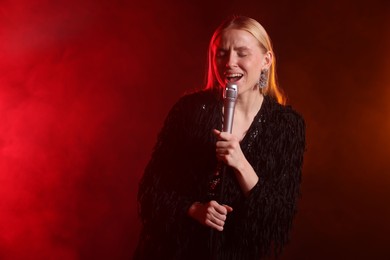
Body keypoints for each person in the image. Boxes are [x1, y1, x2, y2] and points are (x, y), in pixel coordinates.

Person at [134, 15, 306, 260]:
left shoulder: (287, 126)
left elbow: (278, 219)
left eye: (242, 53)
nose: (230, 63)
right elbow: (151, 191)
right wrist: (194, 210)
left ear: (266, 60)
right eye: (222, 53)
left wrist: (240, 162)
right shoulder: (189, 111)